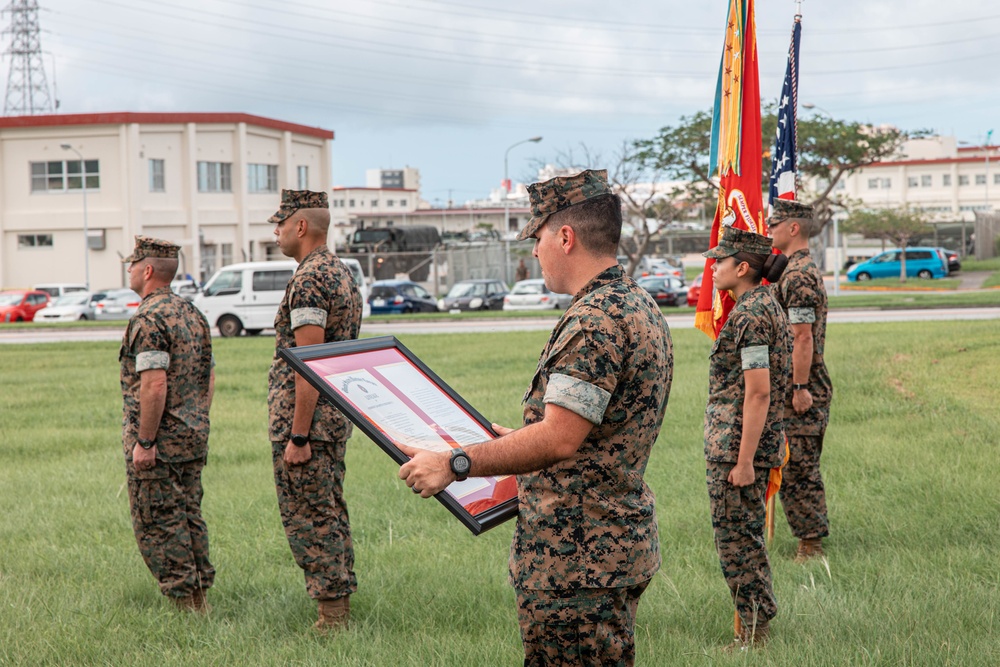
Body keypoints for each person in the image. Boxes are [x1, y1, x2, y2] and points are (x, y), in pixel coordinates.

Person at [398, 169, 673, 666]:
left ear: (565, 237)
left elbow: (560, 439)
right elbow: (589, 430)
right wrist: (516, 438)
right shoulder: (635, 303)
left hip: (576, 559)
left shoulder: (595, 320)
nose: (534, 251)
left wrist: (454, 463)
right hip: (608, 544)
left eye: (538, 237)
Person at [267, 189, 363, 631]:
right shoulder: (341, 273)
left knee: (311, 517)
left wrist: (298, 435)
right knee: (328, 510)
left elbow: (310, 365)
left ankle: (332, 616)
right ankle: (338, 603)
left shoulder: (309, 279)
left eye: (281, 223)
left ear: (300, 226)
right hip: (334, 419)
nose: (277, 231)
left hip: (311, 425)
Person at [702, 226, 790, 648]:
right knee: (744, 539)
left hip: (738, 449)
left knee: (739, 543)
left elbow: (758, 390)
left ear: (741, 267)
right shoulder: (762, 304)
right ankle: (755, 627)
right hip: (742, 444)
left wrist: (743, 462)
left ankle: (754, 634)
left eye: (720, 261)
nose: (713, 267)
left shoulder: (752, 314)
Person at [119, 235, 215, 613]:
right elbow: (208, 377)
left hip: (160, 443)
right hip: (192, 436)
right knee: (189, 515)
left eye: (131, 264)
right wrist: (198, 418)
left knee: (160, 521)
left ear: (146, 270)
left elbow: (154, 382)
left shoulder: (149, 319)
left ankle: (186, 609)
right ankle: (200, 598)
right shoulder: (192, 313)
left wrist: (145, 441)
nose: (128, 271)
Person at [768, 199, 833, 562]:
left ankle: (811, 544)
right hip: (796, 383)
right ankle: (808, 537)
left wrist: (799, 387)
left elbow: (802, 336)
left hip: (802, 386)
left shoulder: (798, 275)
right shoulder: (792, 269)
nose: (770, 229)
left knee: (800, 467)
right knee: (793, 464)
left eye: (775, 223)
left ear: (794, 228)